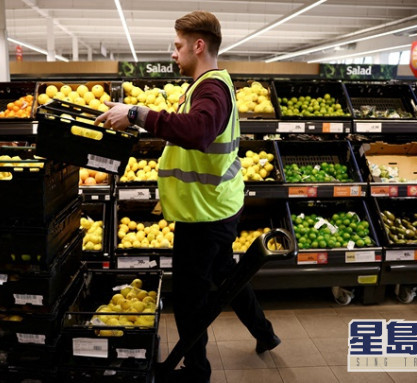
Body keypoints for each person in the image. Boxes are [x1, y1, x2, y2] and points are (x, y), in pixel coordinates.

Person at [95, 10, 280, 383]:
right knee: (227, 277)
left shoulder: (211, 88)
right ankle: (265, 334)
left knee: (190, 298)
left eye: (178, 46)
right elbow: (189, 133)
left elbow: (197, 132)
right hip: (215, 205)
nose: (173, 53)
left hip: (205, 214)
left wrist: (137, 112)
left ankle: (197, 371)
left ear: (199, 45)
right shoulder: (207, 85)